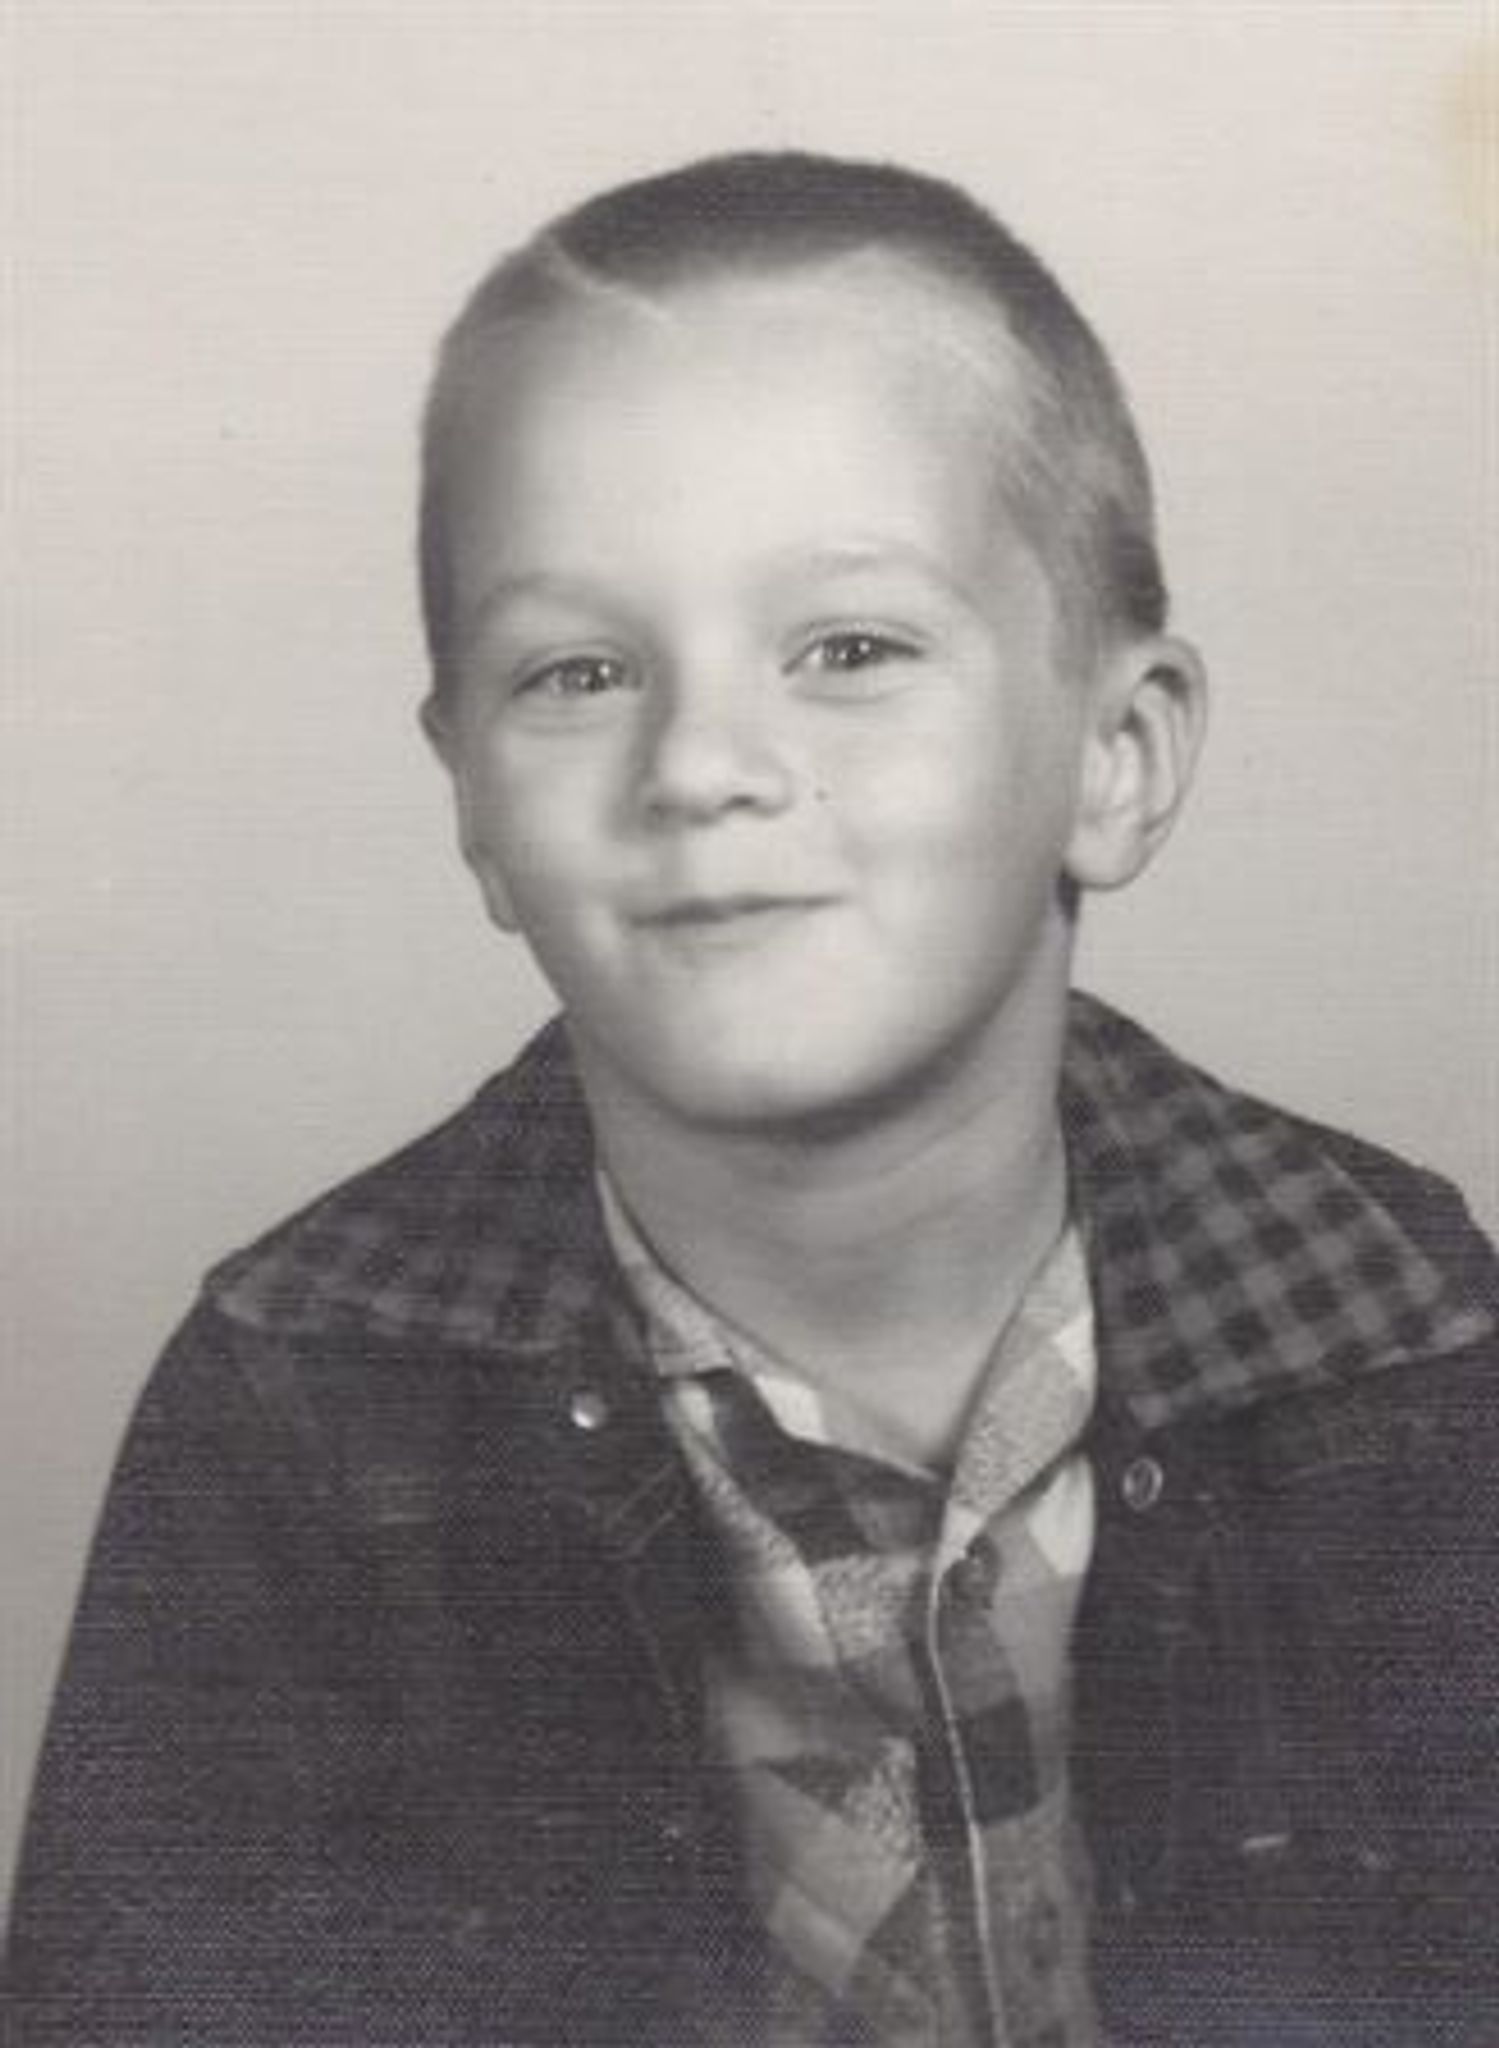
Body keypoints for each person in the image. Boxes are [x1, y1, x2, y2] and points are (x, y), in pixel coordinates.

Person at [6, 152, 1496, 2048]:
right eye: (579, 671)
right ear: (473, 809)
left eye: (849, 649)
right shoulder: (300, 1409)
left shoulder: (1400, 1345)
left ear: (1115, 757)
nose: (701, 762)